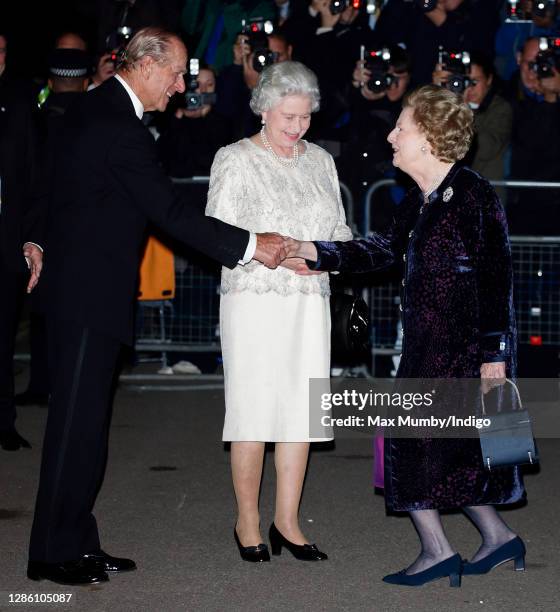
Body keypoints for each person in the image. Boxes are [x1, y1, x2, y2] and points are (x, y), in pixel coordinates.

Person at [27, 27, 286, 586]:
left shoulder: (93, 109)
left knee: (89, 427)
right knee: (76, 428)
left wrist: (37, 239)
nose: (179, 85)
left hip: (85, 289)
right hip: (86, 295)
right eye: (174, 73)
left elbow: (50, 179)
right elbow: (169, 211)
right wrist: (250, 245)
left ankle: (77, 541)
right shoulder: (118, 125)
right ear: (145, 65)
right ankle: (49, 554)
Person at [286, 85, 526, 586]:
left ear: (431, 137)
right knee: (450, 454)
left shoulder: (474, 196)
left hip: (465, 355)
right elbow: (379, 250)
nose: (392, 136)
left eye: (403, 128)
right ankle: (501, 539)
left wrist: (495, 357)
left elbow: (496, 280)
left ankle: (439, 551)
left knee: (412, 444)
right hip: (425, 349)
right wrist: (312, 250)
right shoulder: (420, 201)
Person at [206, 60, 352, 562]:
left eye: (305, 118)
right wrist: (281, 257)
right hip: (254, 301)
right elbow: (218, 236)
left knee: (300, 413)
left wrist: (326, 258)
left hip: (309, 304)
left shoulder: (321, 162)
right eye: (288, 116)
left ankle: (287, 520)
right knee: (252, 410)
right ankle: (247, 520)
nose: (296, 127)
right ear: (263, 108)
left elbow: (340, 232)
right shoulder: (235, 159)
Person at [0, 32, 43, 451]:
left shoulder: (19, 99)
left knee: (4, 337)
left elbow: (32, 173)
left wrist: (31, 237)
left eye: (2, 51)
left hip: (6, 239)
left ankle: (4, 421)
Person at [433, 52, 512, 181]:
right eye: (463, 81)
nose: (468, 88)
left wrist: (462, 109)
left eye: (474, 81)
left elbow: (485, 149)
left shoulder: (500, 108)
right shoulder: (448, 106)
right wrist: (437, 94)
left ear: (489, 79)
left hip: (485, 190)